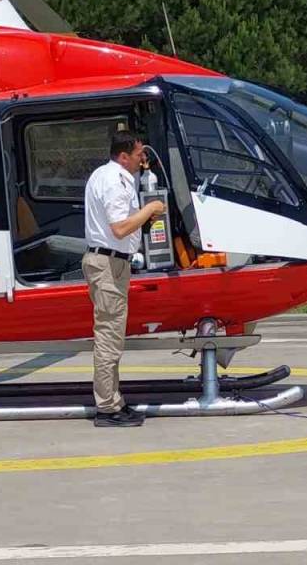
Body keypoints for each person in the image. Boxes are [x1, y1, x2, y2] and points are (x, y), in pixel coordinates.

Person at [83, 130, 167, 428]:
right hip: (109, 265)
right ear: (123, 156)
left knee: (112, 335)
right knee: (109, 337)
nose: (142, 159)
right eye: (138, 154)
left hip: (110, 263)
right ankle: (106, 408)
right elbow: (119, 228)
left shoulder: (104, 176)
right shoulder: (115, 181)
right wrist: (150, 209)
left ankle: (114, 401)